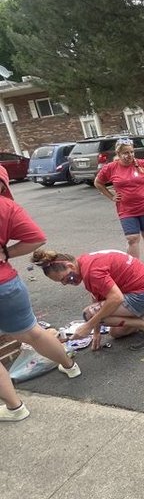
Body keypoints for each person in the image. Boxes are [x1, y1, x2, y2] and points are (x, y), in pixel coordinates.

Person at [0, 165, 81, 422]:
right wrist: (6, 254)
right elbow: (36, 238)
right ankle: (70, 366)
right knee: (33, 332)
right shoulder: (6, 207)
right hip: (7, 285)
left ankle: (15, 408)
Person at [32, 247, 144, 350]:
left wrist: (88, 325)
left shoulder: (92, 271)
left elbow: (115, 299)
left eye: (66, 278)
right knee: (116, 333)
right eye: (62, 282)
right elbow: (98, 299)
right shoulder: (85, 262)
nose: (66, 283)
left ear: (69, 265)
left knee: (88, 314)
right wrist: (96, 333)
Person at [94, 138, 144, 272]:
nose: (130, 155)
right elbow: (98, 182)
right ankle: (135, 270)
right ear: (118, 153)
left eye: (132, 152)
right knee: (132, 238)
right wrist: (111, 196)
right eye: (125, 153)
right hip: (126, 210)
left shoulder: (142, 164)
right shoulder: (111, 168)